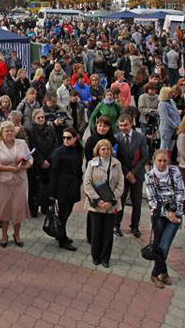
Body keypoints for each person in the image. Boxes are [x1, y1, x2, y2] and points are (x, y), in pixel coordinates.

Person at [144, 149, 185, 289]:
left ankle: (154, 274)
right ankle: (164, 272)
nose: (162, 164)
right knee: (159, 246)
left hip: (175, 213)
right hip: (159, 215)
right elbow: (152, 200)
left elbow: (181, 192)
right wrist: (167, 213)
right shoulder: (149, 176)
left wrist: (175, 211)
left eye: (165, 161)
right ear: (154, 161)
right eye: (159, 161)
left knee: (165, 246)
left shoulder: (175, 171)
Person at [0, 121, 32, 248]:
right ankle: (4, 235)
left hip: (20, 181)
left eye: (12, 130)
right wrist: (10, 169)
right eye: (7, 131)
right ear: (1, 133)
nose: (10, 133)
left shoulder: (22, 143)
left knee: (18, 208)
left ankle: (16, 234)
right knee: (5, 209)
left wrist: (27, 165)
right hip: (3, 183)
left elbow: (30, 158)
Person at [82, 139, 124, 267]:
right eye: (103, 149)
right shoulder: (92, 163)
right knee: (96, 232)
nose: (105, 151)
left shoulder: (117, 164)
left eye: (108, 148)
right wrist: (98, 200)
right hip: (96, 205)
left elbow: (120, 184)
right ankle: (95, 257)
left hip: (111, 204)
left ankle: (105, 258)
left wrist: (111, 200)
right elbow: (87, 184)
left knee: (108, 233)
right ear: (98, 150)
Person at [47, 126, 84, 251]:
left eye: (68, 138)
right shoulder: (59, 152)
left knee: (68, 212)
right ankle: (62, 239)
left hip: (74, 185)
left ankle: (60, 234)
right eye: (63, 138)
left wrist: (79, 180)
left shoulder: (78, 150)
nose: (65, 140)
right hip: (62, 186)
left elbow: (79, 167)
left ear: (75, 139)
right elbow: (54, 173)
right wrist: (52, 193)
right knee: (63, 213)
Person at [115, 114, 149, 238]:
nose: (123, 128)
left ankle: (135, 226)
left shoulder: (140, 137)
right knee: (120, 201)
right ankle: (116, 225)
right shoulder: (117, 138)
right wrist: (127, 173)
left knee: (137, 202)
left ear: (131, 124)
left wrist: (133, 173)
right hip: (123, 175)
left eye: (125, 125)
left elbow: (145, 157)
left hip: (137, 175)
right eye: (120, 125)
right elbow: (117, 158)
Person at [25, 108, 57, 218]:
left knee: (46, 187)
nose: (41, 119)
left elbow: (55, 144)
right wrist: (41, 161)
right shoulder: (29, 130)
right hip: (36, 164)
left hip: (49, 163)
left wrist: (49, 160)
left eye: (42, 117)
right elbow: (31, 147)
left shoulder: (50, 128)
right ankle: (33, 210)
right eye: (38, 118)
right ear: (34, 118)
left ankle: (45, 207)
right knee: (34, 188)